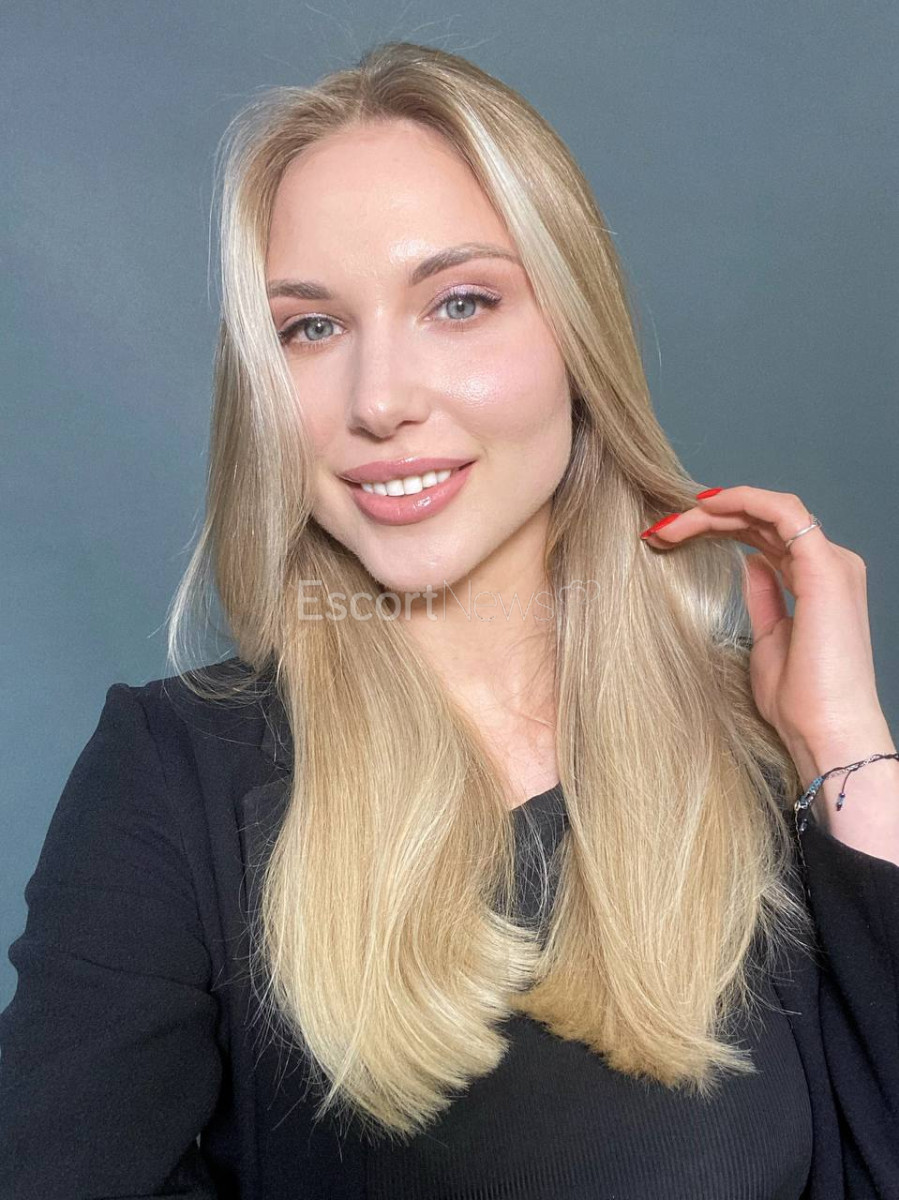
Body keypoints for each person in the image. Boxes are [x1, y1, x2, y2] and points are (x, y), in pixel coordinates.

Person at [2, 40, 898, 1200]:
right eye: (309, 328)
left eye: (459, 303)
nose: (379, 400)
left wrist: (842, 747)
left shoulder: (756, 749)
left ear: (577, 336)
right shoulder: (176, 778)